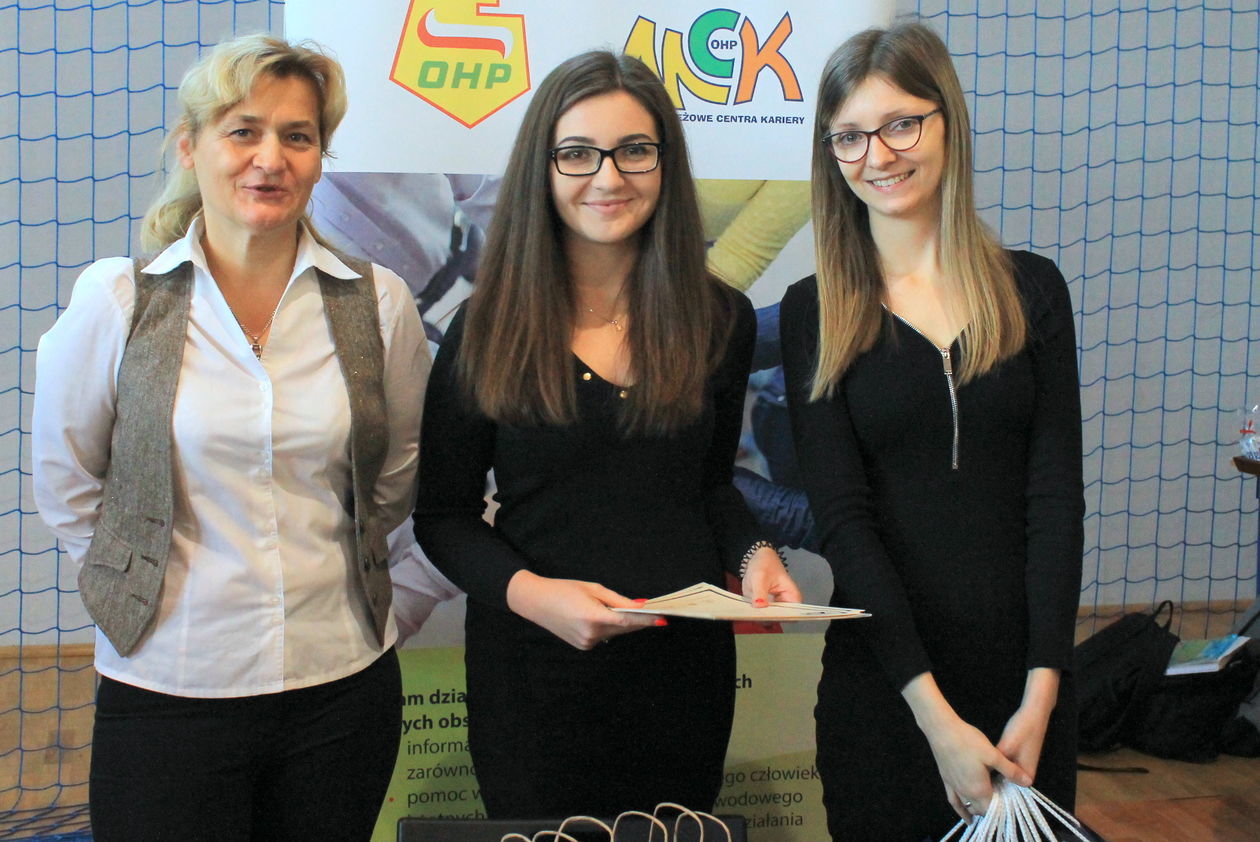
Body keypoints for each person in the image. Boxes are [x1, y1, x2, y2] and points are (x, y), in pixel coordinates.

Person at [31, 34, 430, 841]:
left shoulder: (379, 304)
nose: (269, 159)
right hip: (169, 687)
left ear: (319, 157)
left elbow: (395, 477)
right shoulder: (118, 302)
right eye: (243, 131)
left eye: (297, 136)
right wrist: (136, 584)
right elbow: (67, 483)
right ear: (192, 147)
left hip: (341, 686)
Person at [413, 50, 800, 820]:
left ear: (665, 163)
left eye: (634, 151)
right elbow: (442, 517)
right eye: (578, 153)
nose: (608, 176)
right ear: (544, 167)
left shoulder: (717, 318)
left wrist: (755, 554)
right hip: (533, 673)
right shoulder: (487, 327)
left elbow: (710, 487)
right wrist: (537, 598)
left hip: (683, 676)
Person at [779, 22, 1084, 840]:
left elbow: (1056, 502)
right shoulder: (815, 311)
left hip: (1028, 697)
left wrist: (1043, 693)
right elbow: (845, 524)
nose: (877, 155)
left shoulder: (1034, 290)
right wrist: (936, 720)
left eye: (901, 124)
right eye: (849, 136)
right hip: (888, 693)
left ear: (947, 119)